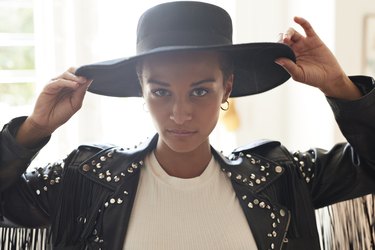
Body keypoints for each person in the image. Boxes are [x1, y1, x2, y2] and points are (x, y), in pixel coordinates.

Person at [0, 1, 374, 250]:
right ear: (141, 89)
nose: (180, 114)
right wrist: (33, 129)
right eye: (161, 92)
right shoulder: (87, 180)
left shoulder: (280, 176)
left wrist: (340, 87)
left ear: (227, 86)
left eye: (199, 91)